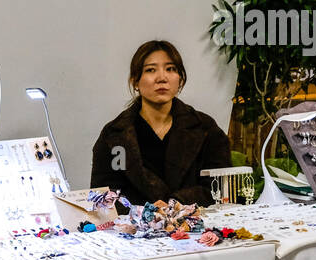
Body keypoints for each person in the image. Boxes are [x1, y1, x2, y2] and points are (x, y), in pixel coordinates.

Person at [90, 40, 230, 207]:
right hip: (135, 229)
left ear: (180, 79)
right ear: (135, 81)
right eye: (150, 70)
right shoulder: (115, 136)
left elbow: (220, 186)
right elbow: (105, 193)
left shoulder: (205, 128)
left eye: (170, 69)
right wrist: (147, 212)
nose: (162, 78)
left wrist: (176, 203)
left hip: (196, 226)